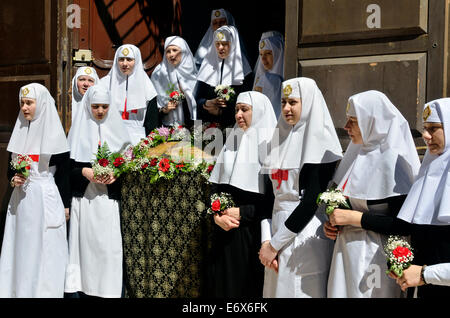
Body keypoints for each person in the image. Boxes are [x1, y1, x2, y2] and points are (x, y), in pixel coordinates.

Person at [324, 90, 421, 298]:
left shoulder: (393, 162)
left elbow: (402, 224)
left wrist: (356, 218)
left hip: (374, 256)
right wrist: (333, 224)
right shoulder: (354, 156)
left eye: (353, 121)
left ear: (372, 122)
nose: (346, 127)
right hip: (345, 254)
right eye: (347, 120)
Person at [258, 77, 343, 298]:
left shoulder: (322, 146)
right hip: (276, 232)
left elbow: (310, 201)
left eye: (293, 102)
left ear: (308, 103)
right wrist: (266, 241)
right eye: (284, 102)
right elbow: (269, 198)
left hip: (304, 235)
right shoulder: (279, 139)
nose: (286, 108)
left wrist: (274, 245)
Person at [0, 83, 70, 297]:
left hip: (45, 198)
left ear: (41, 105)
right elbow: (10, 170)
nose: (24, 107)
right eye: (22, 103)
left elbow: (64, 175)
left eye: (29, 103)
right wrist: (14, 179)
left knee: (45, 248)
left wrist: (66, 206)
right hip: (21, 201)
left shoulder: (55, 136)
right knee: (21, 248)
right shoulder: (20, 130)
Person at [64, 85, 132, 298]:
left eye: (104, 106)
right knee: (85, 249)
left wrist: (117, 173)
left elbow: (128, 162)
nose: (100, 111)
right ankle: (82, 289)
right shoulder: (78, 130)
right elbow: (67, 169)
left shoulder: (119, 131)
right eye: (95, 106)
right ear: (88, 107)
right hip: (85, 200)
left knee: (107, 249)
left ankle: (108, 290)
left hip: (108, 200)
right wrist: (85, 171)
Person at [207, 91, 276, 297]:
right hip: (224, 231)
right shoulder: (232, 142)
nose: (238, 115)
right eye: (237, 109)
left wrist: (242, 213)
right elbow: (215, 187)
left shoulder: (271, 148)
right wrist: (216, 215)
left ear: (259, 112)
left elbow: (273, 201)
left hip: (252, 235)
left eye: (245, 109)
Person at [389, 98, 450, 297]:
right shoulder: (428, 172)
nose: (425, 136)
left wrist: (425, 274)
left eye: (434, 128)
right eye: (425, 128)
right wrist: (403, 265)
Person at [194, 25, 253, 129]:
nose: (220, 47)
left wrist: (224, 110)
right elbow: (197, 99)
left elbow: (248, 104)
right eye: (217, 44)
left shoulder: (244, 70)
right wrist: (207, 103)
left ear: (233, 44)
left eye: (225, 44)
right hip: (208, 126)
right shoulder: (207, 66)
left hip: (234, 126)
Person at [99, 44, 158, 144]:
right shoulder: (104, 84)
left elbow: (151, 122)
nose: (124, 64)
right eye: (121, 59)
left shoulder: (147, 87)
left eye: (129, 59)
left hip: (138, 140)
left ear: (137, 61)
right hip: (109, 137)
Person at [151, 36, 197, 128]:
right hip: (171, 127)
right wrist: (165, 109)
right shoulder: (158, 74)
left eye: (175, 50)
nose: (171, 54)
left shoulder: (192, 71)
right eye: (168, 51)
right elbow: (152, 108)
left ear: (184, 51)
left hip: (196, 125)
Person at [253, 31, 284, 118]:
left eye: (268, 53)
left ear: (278, 52)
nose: (263, 59)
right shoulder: (261, 79)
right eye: (261, 54)